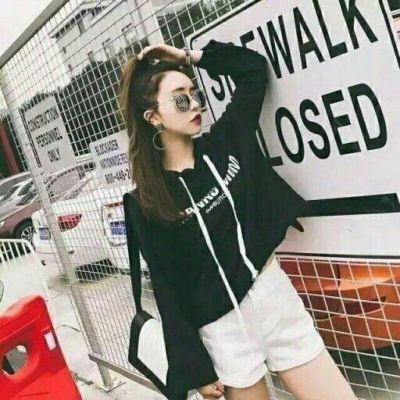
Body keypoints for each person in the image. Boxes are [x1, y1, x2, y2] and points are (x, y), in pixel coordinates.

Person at [119, 40, 358, 400]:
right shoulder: (148, 201)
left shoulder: (225, 142)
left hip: (273, 299)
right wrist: (197, 369)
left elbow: (252, 71)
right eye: (180, 100)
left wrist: (187, 56)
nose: (194, 104)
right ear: (153, 117)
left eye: (195, 94)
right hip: (223, 330)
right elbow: (169, 289)